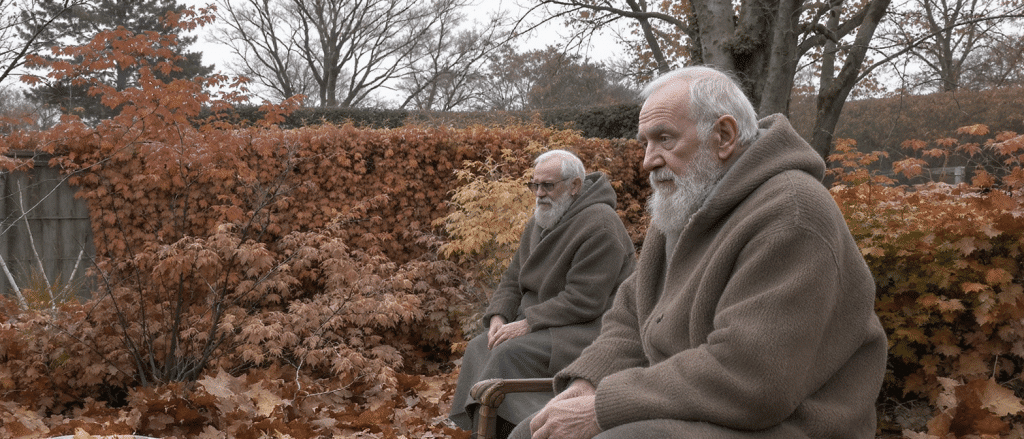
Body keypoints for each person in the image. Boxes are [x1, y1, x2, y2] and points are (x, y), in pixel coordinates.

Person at [511, 66, 889, 439]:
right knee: (532, 432)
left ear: (724, 136)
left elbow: (751, 378)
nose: (648, 160)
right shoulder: (682, 207)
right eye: (646, 142)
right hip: (696, 409)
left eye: (664, 139)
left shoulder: (791, 214)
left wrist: (605, 407)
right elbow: (629, 315)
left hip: (788, 424)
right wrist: (588, 383)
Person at [448, 149, 637, 437]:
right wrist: (499, 316)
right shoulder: (542, 219)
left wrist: (525, 323)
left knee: (508, 353)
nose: (539, 193)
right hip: (544, 323)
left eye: (548, 185)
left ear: (575, 186)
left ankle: (532, 429)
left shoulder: (601, 224)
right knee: (479, 346)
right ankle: (485, 431)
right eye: (534, 185)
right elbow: (513, 278)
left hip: (586, 329)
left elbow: (583, 300)